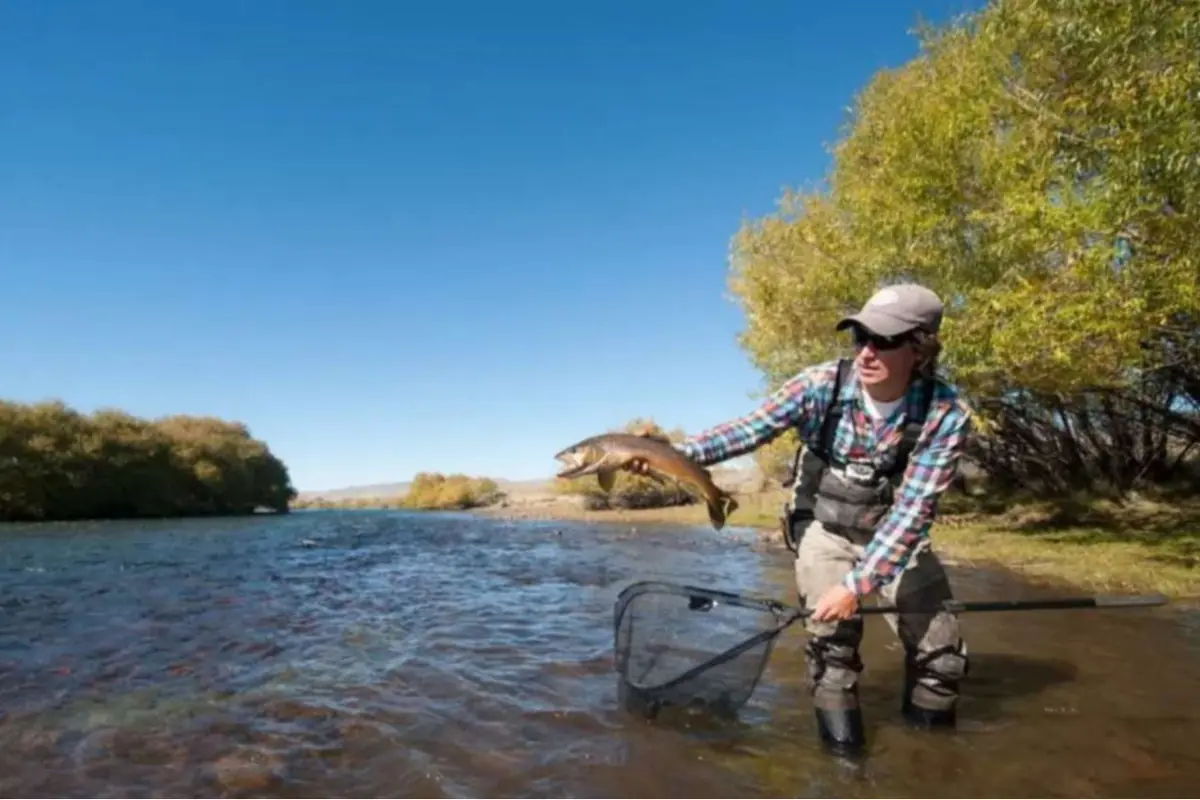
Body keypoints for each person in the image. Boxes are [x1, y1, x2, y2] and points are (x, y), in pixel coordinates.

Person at [623, 282, 972, 758]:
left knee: (942, 657)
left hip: (894, 537)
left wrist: (857, 585)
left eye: (885, 341)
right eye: (860, 337)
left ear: (921, 348)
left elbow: (913, 512)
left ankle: (931, 764)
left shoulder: (946, 413)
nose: (867, 352)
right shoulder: (819, 385)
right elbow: (749, 429)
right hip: (823, 530)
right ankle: (845, 767)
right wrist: (670, 454)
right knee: (832, 650)